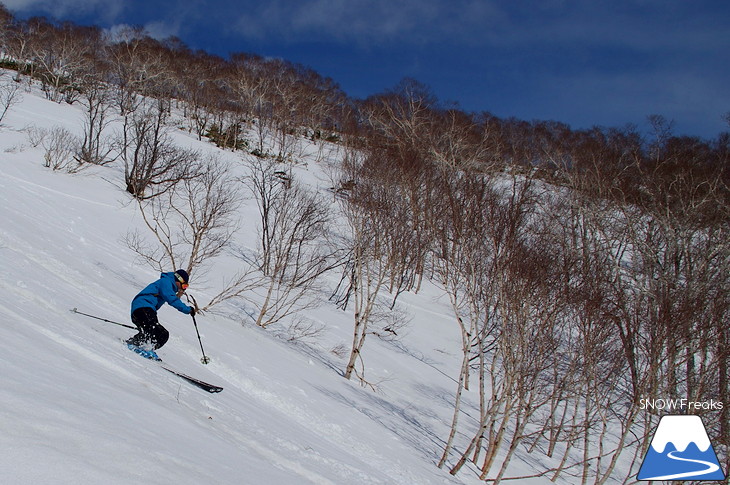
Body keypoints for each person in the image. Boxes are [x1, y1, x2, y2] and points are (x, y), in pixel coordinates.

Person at [126, 269, 196, 359]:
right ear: (179, 280)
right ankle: (134, 344)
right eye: (184, 285)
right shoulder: (166, 282)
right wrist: (188, 309)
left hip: (145, 309)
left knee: (162, 334)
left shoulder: (168, 285)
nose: (183, 288)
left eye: (186, 286)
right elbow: (172, 299)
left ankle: (147, 348)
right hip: (142, 307)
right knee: (153, 329)